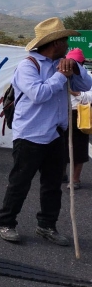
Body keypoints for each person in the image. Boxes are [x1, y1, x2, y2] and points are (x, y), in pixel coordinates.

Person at [0, 17, 92, 246]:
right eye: (65, 40)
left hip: (56, 134)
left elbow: (85, 86)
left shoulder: (66, 63)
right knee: (20, 181)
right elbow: (39, 94)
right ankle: (6, 223)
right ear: (56, 43)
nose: (68, 44)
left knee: (52, 184)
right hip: (30, 134)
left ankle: (47, 225)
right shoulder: (28, 66)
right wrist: (62, 75)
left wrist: (75, 69)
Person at [65, 48, 90, 190]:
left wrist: (76, 93)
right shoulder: (59, 75)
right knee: (59, 146)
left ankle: (75, 179)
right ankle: (61, 174)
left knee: (79, 147)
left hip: (79, 114)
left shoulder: (86, 76)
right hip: (61, 113)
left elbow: (90, 94)